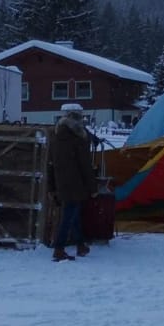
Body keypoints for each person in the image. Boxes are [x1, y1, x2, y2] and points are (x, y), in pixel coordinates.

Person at [49, 102, 97, 262]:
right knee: (69, 215)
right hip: (75, 181)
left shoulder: (57, 135)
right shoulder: (78, 138)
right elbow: (84, 164)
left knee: (74, 213)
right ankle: (59, 248)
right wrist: (92, 187)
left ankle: (80, 244)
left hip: (62, 180)